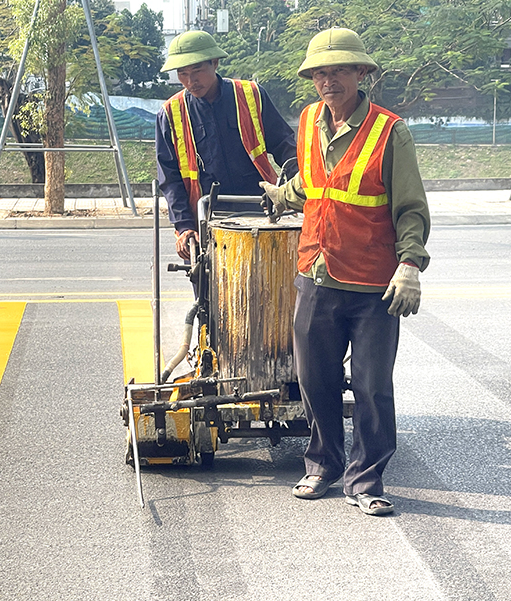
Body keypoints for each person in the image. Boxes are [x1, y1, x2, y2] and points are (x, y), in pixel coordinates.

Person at [260, 27, 431, 515]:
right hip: (316, 274)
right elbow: (316, 185)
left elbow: (411, 208)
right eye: (319, 72)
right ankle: (323, 466)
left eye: (338, 71)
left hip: (374, 284)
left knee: (373, 386)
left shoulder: (389, 131)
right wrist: (282, 194)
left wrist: (410, 264)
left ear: (361, 73)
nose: (327, 80)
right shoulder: (310, 120)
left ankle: (367, 480)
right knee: (315, 379)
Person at [156, 30, 297, 260]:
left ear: (215, 63)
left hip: (259, 210)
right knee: (209, 290)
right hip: (206, 217)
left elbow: (284, 145)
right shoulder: (171, 114)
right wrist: (184, 226)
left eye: (197, 71)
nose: (191, 81)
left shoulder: (251, 95)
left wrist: (301, 187)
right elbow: (170, 179)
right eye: (183, 73)